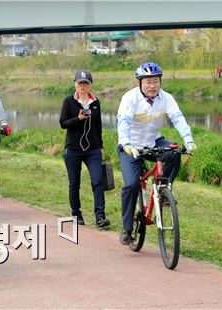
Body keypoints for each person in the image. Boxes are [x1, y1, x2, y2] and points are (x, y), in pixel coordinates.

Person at [117, 62, 196, 245]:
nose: (152, 85)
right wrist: (126, 143)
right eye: (148, 82)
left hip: (153, 142)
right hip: (131, 146)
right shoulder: (130, 98)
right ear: (140, 83)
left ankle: (163, 189)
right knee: (131, 185)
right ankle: (127, 228)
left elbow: (178, 118)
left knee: (175, 152)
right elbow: (124, 122)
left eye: (155, 81)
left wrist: (188, 139)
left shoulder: (166, 98)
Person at [59, 70, 110, 228]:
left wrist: (100, 146)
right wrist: (78, 118)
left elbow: (98, 126)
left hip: (92, 149)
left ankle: (100, 216)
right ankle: (76, 214)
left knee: (97, 181)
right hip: (73, 149)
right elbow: (63, 123)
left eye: (85, 83)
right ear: (75, 84)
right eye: (80, 83)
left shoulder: (95, 102)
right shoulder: (69, 101)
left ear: (90, 85)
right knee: (74, 184)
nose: (83, 86)